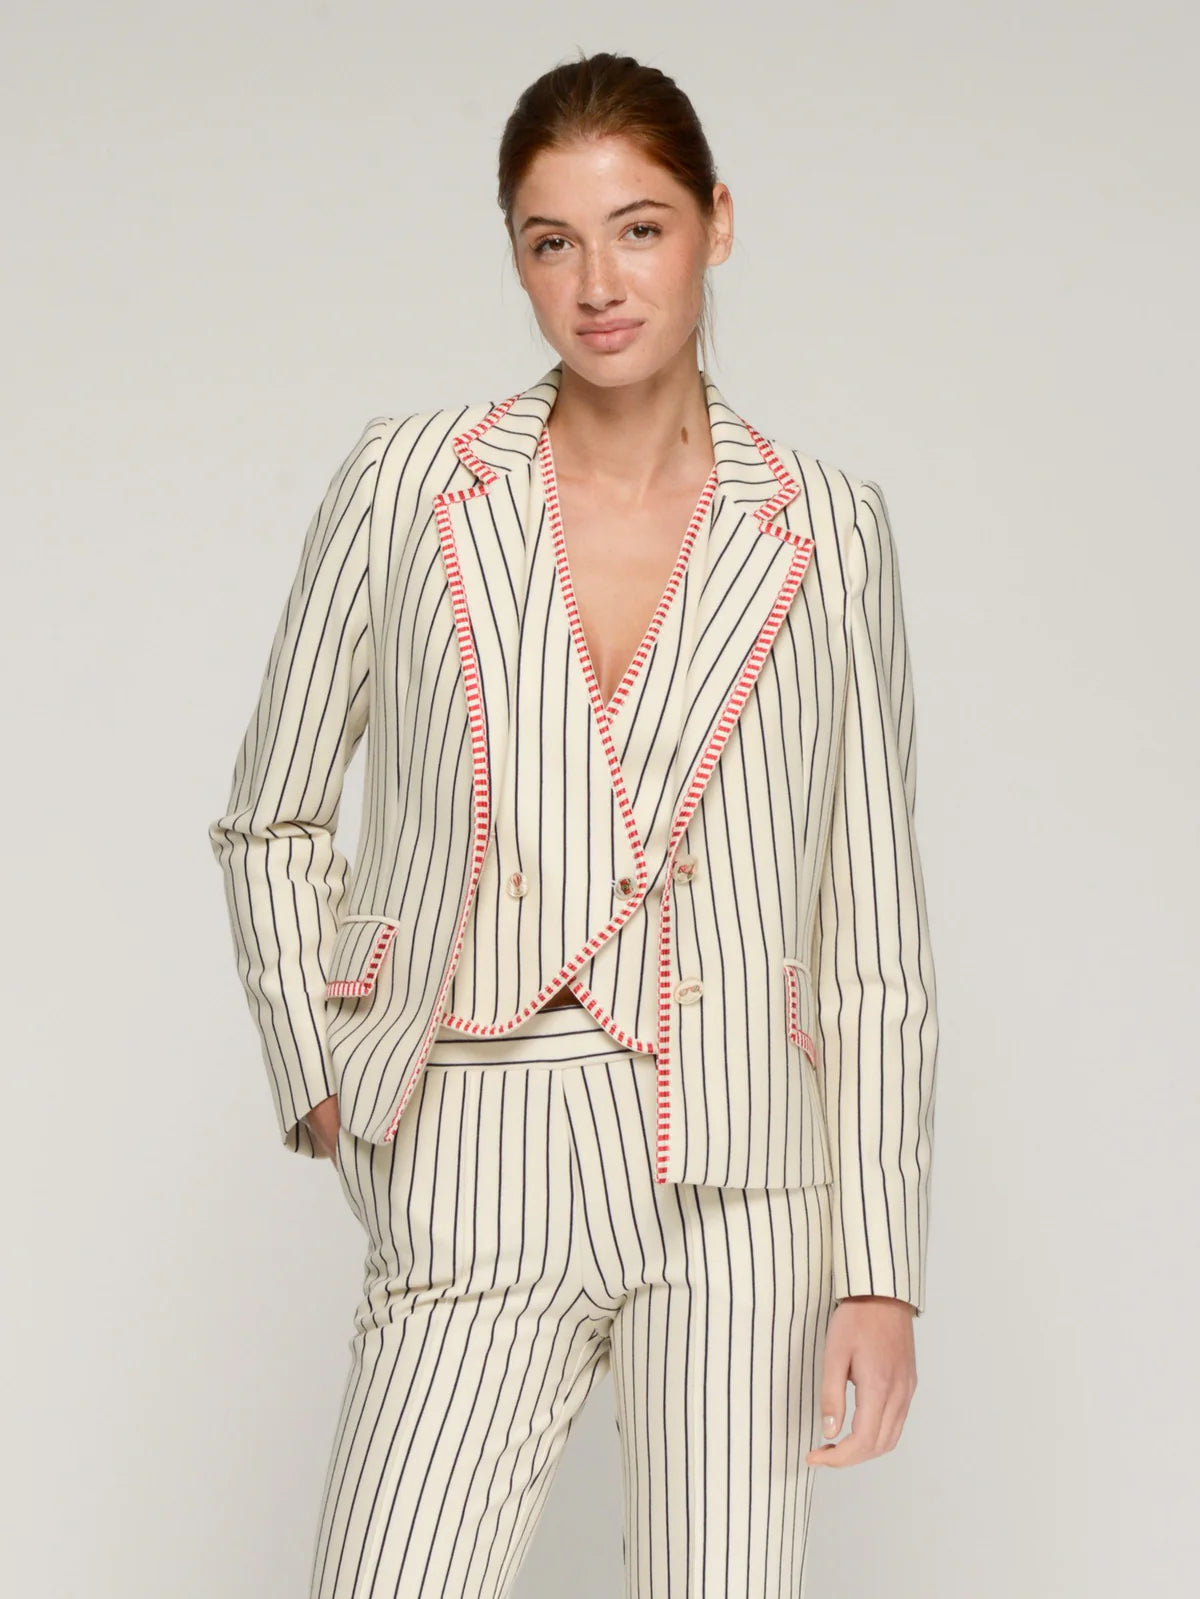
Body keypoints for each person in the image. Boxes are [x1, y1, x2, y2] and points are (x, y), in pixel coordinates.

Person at [208, 48, 940, 1599]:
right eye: (553, 241)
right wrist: (328, 1074)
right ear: (517, 258)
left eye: (639, 229)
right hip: (472, 1137)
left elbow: (873, 930)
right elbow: (270, 814)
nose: (598, 283)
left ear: (717, 224)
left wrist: (880, 1269)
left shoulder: (827, 528)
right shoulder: (409, 485)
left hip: (739, 1172)